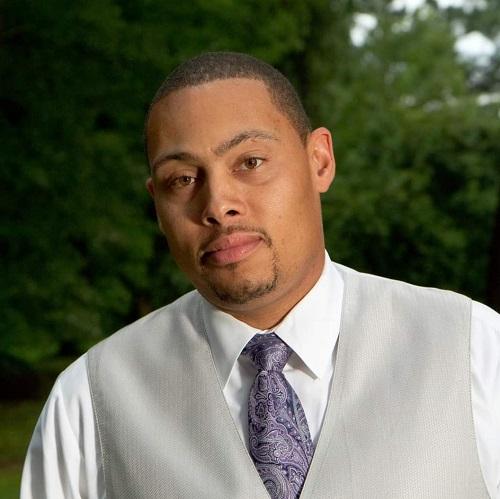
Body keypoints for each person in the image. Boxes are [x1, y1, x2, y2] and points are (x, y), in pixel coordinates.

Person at [21, 52, 499, 499]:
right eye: (182, 179)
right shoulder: (89, 401)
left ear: (320, 161)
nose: (217, 205)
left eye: (250, 162)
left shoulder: (475, 349)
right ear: (157, 202)